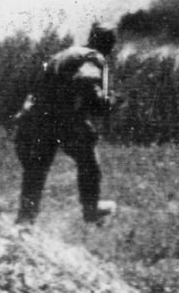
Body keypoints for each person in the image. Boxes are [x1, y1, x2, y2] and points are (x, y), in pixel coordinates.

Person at [14, 23, 118, 225]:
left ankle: (25, 221)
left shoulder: (66, 54)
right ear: (108, 44)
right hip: (63, 117)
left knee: (36, 171)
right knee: (88, 158)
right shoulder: (93, 57)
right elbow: (85, 81)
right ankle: (91, 208)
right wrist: (106, 101)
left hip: (38, 116)